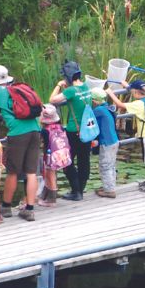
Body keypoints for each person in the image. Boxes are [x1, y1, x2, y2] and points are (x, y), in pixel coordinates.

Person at [0, 64, 41, 222]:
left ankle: (6, 207)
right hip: (35, 130)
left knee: (13, 172)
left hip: (17, 134)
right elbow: (9, 107)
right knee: (31, 172)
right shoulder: (17, 89)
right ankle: (29, 209)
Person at [48, 61, 93, 201]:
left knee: (66, 161)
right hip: (87, 129)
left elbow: (52, 100)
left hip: (74, 131)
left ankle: (76, 191)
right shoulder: (86, 86)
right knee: (84, 160)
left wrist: (58, 85)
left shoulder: (70, 91)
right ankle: (80, 189)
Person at [108, 78, 145, 193]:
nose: (131, 93)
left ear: (136, 92)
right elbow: (134, 92)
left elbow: (120, 105)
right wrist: (127, 86)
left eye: (132, 91)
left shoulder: (137, 104)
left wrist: (110, 93)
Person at [89, 88, 120, 198]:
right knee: (111, 165)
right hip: (114, 140)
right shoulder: (107, 107)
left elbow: (88, 117)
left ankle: (109, 190)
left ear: (95, 101)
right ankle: (109, 186)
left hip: (106, 142)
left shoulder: (98, 111)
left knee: (105, 165)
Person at [39, 104, 71, 206]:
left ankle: (52, 200)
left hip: (49, 155)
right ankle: (46, 196)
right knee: (51, 174)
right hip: (59, 154)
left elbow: (40, 142)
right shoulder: (61, 127)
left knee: (50, 175)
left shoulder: (45, 130)